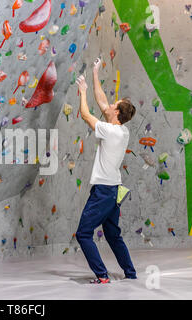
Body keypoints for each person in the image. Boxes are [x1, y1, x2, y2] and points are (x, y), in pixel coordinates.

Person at [75, 57, 137, 284]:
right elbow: (102, 102)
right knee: (112, 234)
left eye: (114, 105)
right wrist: (94, 73)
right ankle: (130, 273)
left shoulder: (110, 131)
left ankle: (102, 275)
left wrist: (82, 92)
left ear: (117, 114)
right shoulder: (121, 130)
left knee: (83, 233)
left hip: (103, 191)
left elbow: (85, 115)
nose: (109, 105)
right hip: (114, 190)